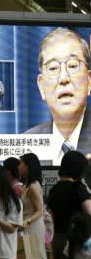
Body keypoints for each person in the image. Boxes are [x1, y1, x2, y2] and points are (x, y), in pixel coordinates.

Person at [24, 28, 91, 163]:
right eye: (53, 68)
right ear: (41, 86)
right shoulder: (28, 145)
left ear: (89, 82)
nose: (63, 78)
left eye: (72, 66)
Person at [15, 153, 63, 259]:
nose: (18, 166)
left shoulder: (33, 187)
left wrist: (26, 222)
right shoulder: (28, 185)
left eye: (21, 163)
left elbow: (39, 211)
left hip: (32, 228)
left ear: (28, 166)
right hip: (28, 227)